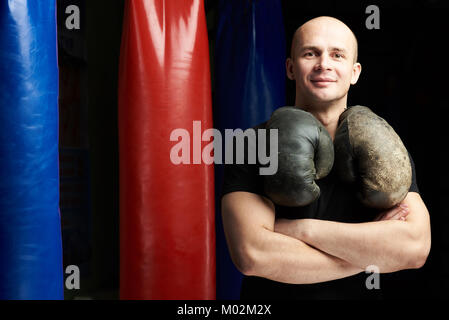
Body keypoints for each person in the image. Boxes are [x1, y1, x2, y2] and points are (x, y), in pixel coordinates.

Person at [221, 16, 431, 299]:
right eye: (311, 53)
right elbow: (253, 255)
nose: (324, 64)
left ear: (355, 72)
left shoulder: (387, 144)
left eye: (337, 55)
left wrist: (300, 230)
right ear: (290, 68)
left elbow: (415, 248)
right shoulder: (251, 143)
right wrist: (373, 255)